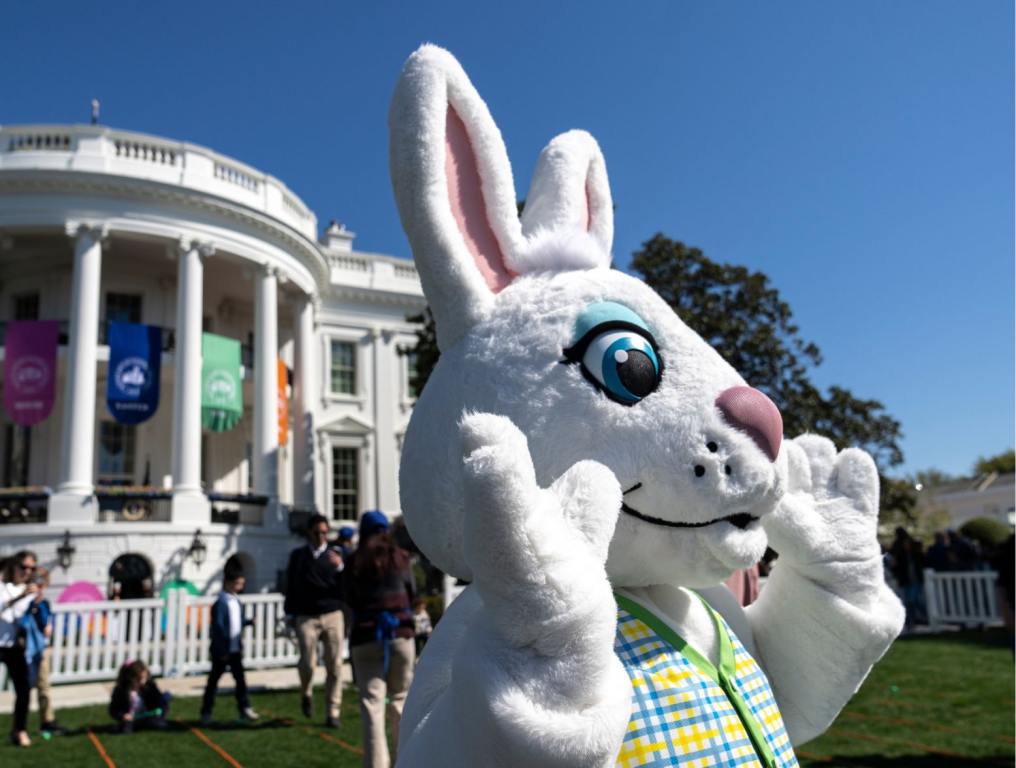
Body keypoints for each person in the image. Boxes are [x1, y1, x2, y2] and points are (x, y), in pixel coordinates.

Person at [346, 511, 416, 768]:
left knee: (372, 705)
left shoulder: (354, 561)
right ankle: (406, 761)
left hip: (365, 636)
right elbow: (412, 593)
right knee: (400, 700)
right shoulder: (401, 558)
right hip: (400, 633)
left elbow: (348, 598)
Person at [284, 513, 347, 728]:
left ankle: (333, 710)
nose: (321, 536)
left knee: (335, 665)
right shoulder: (298, 556)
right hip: (306, 616)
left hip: (332, 614)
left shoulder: (336, 556)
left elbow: (347, 586)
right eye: (317, 532)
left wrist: (340, 567)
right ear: (309, 533)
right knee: (307, 664)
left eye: (324, 532)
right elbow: (290, 586)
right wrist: (289, 614)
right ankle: (306, 692)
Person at [200, 567, 259, 725]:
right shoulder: (221, 602)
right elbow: (218, 628)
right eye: (238, 583)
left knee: (240, 681)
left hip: (235, 650)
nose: (241, 586)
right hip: (222, 650)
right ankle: (206, 712)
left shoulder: (236, 601)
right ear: (228, 583)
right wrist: (222, 650)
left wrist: (248, 622)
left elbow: (236, 622)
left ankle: (244, 708)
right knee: (213, 682)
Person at [20, 566, 65, 735]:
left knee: (44, 686)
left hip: (40, 649)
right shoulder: (23, 601)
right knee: (25, 688)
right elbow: (22, 622)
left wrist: (38, 604)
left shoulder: (43, 603)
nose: (38, 586)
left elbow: (46, 627)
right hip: (24, 650)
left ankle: (47, 720)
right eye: (35, 582)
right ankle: (21, 726)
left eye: (41, 583)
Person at [1, 550, 39, 747]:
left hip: (17, 647)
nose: (27, 571)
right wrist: (20, 597)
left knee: (23, 690)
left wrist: (38, 603)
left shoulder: (31, 591)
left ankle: (20, 730)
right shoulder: (3, 587)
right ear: (14, 567)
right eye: (24, 567)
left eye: (31, 568)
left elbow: (33, 619)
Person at [109, 659, 170, 733]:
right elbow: (113, 709)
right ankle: (119, 727)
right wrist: (123, 715)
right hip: (132, 719)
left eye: (145, 677)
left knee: (161, 725)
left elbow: (158, 701)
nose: (143, 681)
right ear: (130, 678)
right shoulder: (120, 691)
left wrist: (163, 703)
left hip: (147, 717)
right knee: (126, 730)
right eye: (139, 679)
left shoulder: (150, 686)